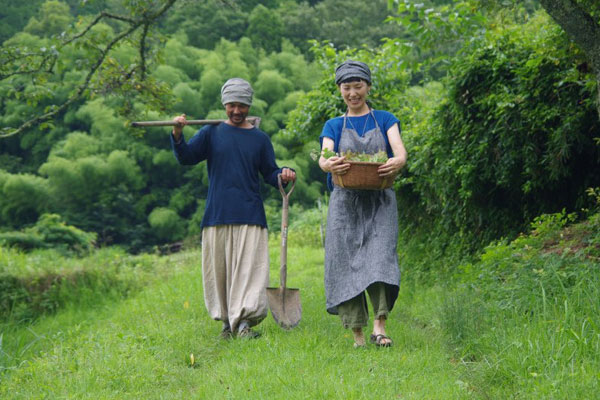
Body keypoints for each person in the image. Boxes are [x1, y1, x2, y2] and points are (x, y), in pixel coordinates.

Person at [171, 77, 296, 339]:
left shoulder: (260, 139)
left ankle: (243, 325)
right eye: (231, 105)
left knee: (250, 272)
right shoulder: (211, 132)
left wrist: (283, 176)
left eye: (242, 106)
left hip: (250, 214)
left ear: (249, 105)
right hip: (217, 213)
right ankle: (227, 324)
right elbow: (186, 158)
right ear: (224, 104)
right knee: (220, 272)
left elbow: (269, 172)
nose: (237, 111)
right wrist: (178, 134)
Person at [318, 61, 407, 348]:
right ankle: (357, 333)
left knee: (381, 259)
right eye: (347, 87)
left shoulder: (385, 118)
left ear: (368, 87)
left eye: (358, 86)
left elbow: (400, 152)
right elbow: (324, 156)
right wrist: (327, 163)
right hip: (345, 204)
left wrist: (397, 162)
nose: (353, 93)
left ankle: (379, 326)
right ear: (339, 90)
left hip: (380, 200)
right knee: (344, 263)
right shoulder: (333, 125)